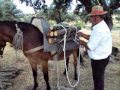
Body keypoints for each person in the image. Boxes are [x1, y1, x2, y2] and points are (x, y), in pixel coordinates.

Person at [77, 5, 112, 90]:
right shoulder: (101, 25)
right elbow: (93, 38)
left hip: (99, 59)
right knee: (98, 78)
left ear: (95, 17)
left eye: (91, 17)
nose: (90, 19)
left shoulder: (99, 30)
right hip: (103, 57)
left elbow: (90, 46)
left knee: (98, 80)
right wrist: (82, 34)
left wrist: (81, 42)